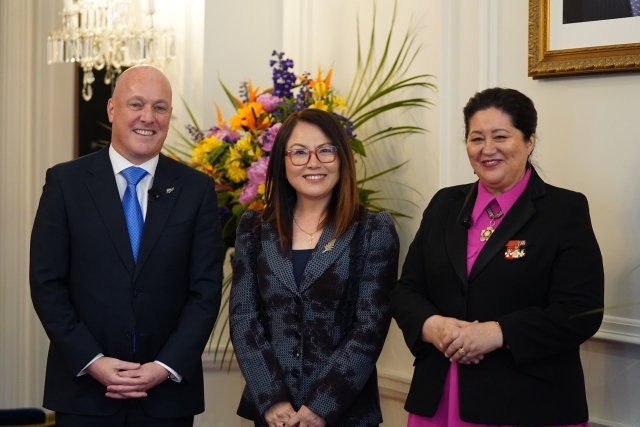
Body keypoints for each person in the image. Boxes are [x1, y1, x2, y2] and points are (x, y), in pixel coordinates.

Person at [391, 87, 604, 427]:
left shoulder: (564, 210)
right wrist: (434, 326)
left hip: (527, 401)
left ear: (529, 141)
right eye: (476, 138)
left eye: (500, 136)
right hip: (442, 396)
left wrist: (498, 332)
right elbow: (406, 291)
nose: (487, 149)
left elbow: (581, 311)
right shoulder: (444, 204)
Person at [30, 65, 223, 427]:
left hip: (166, 398)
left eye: (160, 107)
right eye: (136, 104)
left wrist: (165, 366)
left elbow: (206, 291)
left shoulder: (196, 190)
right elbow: (47, 285)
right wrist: (92, 361)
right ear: (111, 109)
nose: (147, 118)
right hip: (84, 393)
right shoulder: (65, 183)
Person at [229, 108, 399, 427]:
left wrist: (320, 407)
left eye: (325, 150)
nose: (313, 162)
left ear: (342, 158)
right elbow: (243, 319)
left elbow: (370, 327)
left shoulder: (373, 230)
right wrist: (273, 400)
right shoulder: (254, 228)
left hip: (346, 413)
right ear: (282, 161)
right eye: (299, 152)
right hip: (273, 416)